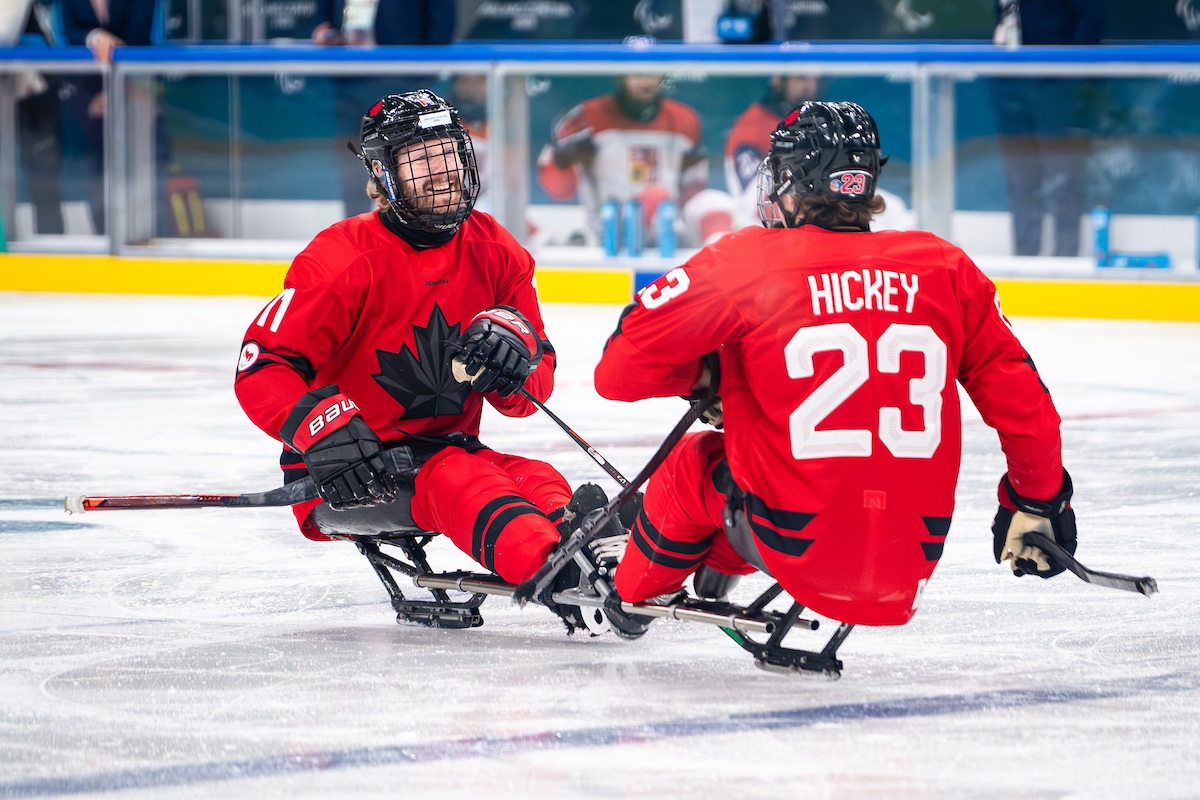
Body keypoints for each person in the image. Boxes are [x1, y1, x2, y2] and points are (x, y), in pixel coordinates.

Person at [590, 101, 1078, 637]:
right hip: (907, 561)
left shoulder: (746, 262)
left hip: (796, 545)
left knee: (696, 463)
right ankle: (716, 565)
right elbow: (1023, 399)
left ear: (794, 185)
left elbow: (617, 374)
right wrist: (1036, 499)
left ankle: (631, 596)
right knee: (765, 462)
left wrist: (715, 377)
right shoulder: (945, 266)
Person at [233, 91, 610, 631]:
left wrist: (513, 363)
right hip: (347, 472)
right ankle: (560, 571)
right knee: (459, 479)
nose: (442, 172)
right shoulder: (341, 259)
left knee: (537, 476)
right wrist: (318, 431)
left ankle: (598, 554)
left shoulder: (497, 252)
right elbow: (262, 366)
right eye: (419, 159)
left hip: (449, 450)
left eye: (448, 153)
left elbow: (533, 392)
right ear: (381, 175)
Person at [536, 74, 735, 249]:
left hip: (666, 228)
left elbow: (694, 189)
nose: (646, 79)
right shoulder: (584, 117)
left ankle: (724, 260)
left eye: (652, 71)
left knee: (714, 202)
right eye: (637, 72)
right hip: (610, 231)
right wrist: (563, 161)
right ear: (621, 74)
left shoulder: (684, 119)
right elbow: (558, 191)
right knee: (654, 196)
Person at [310, 0, 456, 218]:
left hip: (404, 82)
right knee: (352, 165)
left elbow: (442, 23)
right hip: (349, 81)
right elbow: (323, 14)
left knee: (410, 163)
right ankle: (355, 226)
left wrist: (421, 76)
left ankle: (414, 228)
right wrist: (322, 27)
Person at [990, 0, 1106, 256]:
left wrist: (1069, 74)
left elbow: (1093, 15)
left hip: (1057, 89)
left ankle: (1064, 263)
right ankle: (1025, 259)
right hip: (1011, 87)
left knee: (1063, 179)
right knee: (1020, 180)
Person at [57, 0, 159, 234]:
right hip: (88, 91)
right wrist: (94, 35)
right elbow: (70, 32)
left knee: (139, 163)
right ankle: (104, 235)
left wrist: (113, 91)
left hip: (134, 86)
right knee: (95, 166)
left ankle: (142, 235)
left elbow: (138, 37)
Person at [724, 74, 820, 229]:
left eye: (815, 79)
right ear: (777, 79)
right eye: (801, 78)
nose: (810, 87)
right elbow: (757, 199)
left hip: (809, 224)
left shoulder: (813, 123)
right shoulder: (753, 127)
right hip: (767, 230)